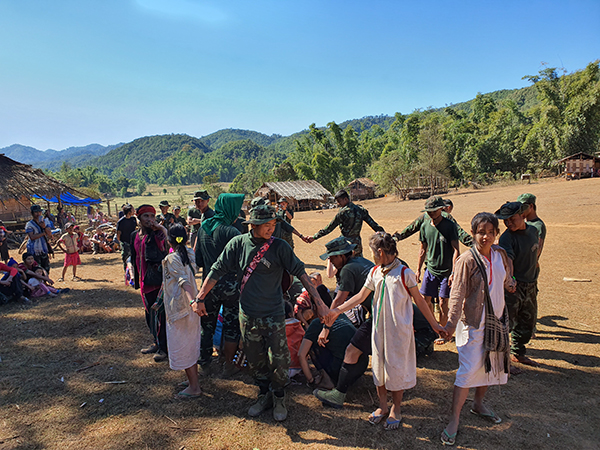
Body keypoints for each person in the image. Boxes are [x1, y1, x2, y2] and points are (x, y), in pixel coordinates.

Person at [193, 204, 329, 422]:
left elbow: (301, 273)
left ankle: (280, 397)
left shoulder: (280, 247)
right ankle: (264, 394)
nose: (271, 229)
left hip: (274, 315)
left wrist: (319, 302)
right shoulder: (238, 244)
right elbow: (216, 270)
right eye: (267, 225)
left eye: (274, 224)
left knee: (280, 360)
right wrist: (200, 298)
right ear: (253, 225)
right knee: (256, 361)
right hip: (248, 316)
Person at [326, 233, 445, 428]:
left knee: (395, 370)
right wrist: (336, 310)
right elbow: (360, 296)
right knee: (379, 369)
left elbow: (420, 301)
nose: (372, 256)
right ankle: (382, 406)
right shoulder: (375, 272)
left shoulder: (404, 274)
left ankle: (396, 408)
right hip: (378, 329)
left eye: (373, 253)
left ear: (380, 252)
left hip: (398, 333)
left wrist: (435, 324)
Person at [441, 213, 516, 446]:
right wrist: (450, 325)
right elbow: (457, 294)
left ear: (496, 234)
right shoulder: (466, 260)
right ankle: (454, 419)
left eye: (491, 232)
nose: (486, 236)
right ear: (473, 233)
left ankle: (478, 404)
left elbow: (505, 279)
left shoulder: (500, 255)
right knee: (467, 372)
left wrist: (510, 284)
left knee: (489, 365)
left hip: (497, 322)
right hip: (473, 324)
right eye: (481, 232)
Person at [312, 237, 377, 409]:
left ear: (342, 256)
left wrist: (326, 327)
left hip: (381, 315)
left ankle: (338, 394)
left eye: (332, 257)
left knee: (351, 350)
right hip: (383, 312)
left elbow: (337, 301)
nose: (330, 261)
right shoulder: (359, 261)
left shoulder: (347, 269)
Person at [194, 193, 245, 377]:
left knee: (206, 326)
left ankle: (205, 363)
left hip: (208, 287)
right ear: (231, 209)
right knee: (232, 326)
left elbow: (198, 259)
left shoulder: (203, 228)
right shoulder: (232, 232)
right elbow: (243, 262)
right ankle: (228, 366)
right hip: (231, 288)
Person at [495, 202, 541, 371]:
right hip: (514, 286)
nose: (508, 224)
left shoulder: (534, 231)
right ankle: (501, 359)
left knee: (527, 322)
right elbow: (508, 260)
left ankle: (518, 353)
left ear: (523, 216)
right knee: (507, 324)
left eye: (512, 219)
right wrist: (511, 279)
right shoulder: (507, 237)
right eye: (505, 221)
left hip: (530, 284)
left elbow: (535, 250)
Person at [161, 224, 202, 398]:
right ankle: (192, 380)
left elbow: (183, 282)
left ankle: (194, 387)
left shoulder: (172, 258)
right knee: (191, 344)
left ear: (169, 240)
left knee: (183, 347)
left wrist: (192, 300)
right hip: (192, 309)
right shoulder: (190, 253)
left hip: (181, 308)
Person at [130, 205, 169, 362]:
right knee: (149, 315)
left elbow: (168, 246)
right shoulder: (134, 235)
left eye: (152, 216)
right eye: (146, 216)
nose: (150, 219)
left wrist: (161, 229)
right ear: (139, 218)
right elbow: (132, 256)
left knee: (159, 314)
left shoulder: (157, 234)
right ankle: (156, 341)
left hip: (156, 282)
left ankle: (163, 348)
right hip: (143, 281)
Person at [416, 196, 460, 335]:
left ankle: (443, 331)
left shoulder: (450, 226)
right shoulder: (424, 226)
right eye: (429, 211)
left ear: (441, 209)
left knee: (443, 303)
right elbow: (423, 249)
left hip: (446, 272)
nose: (431, 214)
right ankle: (433, 327)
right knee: (425, 300)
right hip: (430, 269)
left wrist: (453, 272)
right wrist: (418, 270)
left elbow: (456, 250)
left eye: (434, 211)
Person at [309, 189, 384, 256]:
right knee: (359, 266)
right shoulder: (361, 210)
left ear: (345, 199)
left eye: (339, 201)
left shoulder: (343, 212)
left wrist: (315, 237)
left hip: (345, 245)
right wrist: (385, 235)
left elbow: (329, 228)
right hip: (357, 244)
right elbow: (374, 225)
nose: (338, 204)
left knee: (345, 267)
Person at [298, 309, 356, 391]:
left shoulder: (316, 323)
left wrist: (311, 381)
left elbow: (301, 355)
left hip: (339, 369)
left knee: (311, 344)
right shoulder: (341, 315)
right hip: (358, 368)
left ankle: (327, 380)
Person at [393, 197, 472, 247]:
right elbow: (459, 232)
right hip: (444, 258)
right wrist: (474, 243)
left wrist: (397, 237)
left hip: (430, 258)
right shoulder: (446, 216)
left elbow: (411, 228)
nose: (431, 214)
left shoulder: (424, 216)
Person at [25, 205, 52, 274]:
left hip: (43, 248)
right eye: (36, 212)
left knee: (46, 268)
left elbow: (49, 233)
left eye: (39, 212)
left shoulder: (46, 221)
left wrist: (44, 227)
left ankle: (45, 282)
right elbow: (32, 237)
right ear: (32, 213)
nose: (38, 214)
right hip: (34, 249)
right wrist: (43, 233)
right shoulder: (29, 224)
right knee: (37, 268)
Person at [284, 301, 305, 378]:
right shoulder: (297, 326)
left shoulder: (275, 328)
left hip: (279, 369)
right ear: (290, 314)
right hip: (297, 367)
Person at [116, 204, 138, 276]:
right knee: (125, 259)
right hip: (125, 243)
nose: (133, 211)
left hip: (133, 242)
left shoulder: (133, 219)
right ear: (129, 212)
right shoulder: (121, 222)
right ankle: (127, 274)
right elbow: (118, 234)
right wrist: (121, 243)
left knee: (134, 258)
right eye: (132, 210)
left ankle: (133, 274)